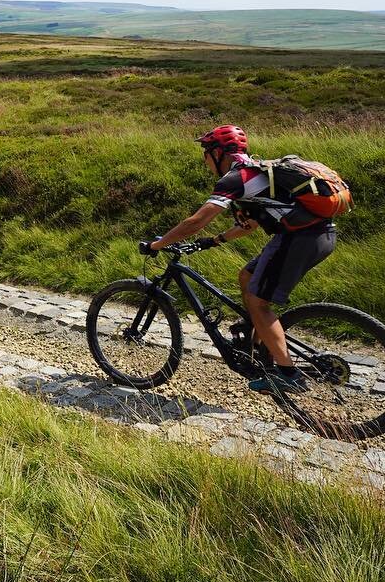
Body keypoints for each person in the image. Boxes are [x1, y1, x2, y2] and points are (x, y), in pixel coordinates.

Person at [140, 124, 337, 393]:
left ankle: (288, 375)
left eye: (206, 153)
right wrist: (214, 241)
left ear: (218, 153)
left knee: (258, 302)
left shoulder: (236, 178)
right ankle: (256, 345)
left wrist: (158, 244)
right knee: (247, 276)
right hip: (318, 235)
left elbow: (196, 221)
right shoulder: (256, 171)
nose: (205, 160)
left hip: (300, 240)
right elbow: (251, 224)